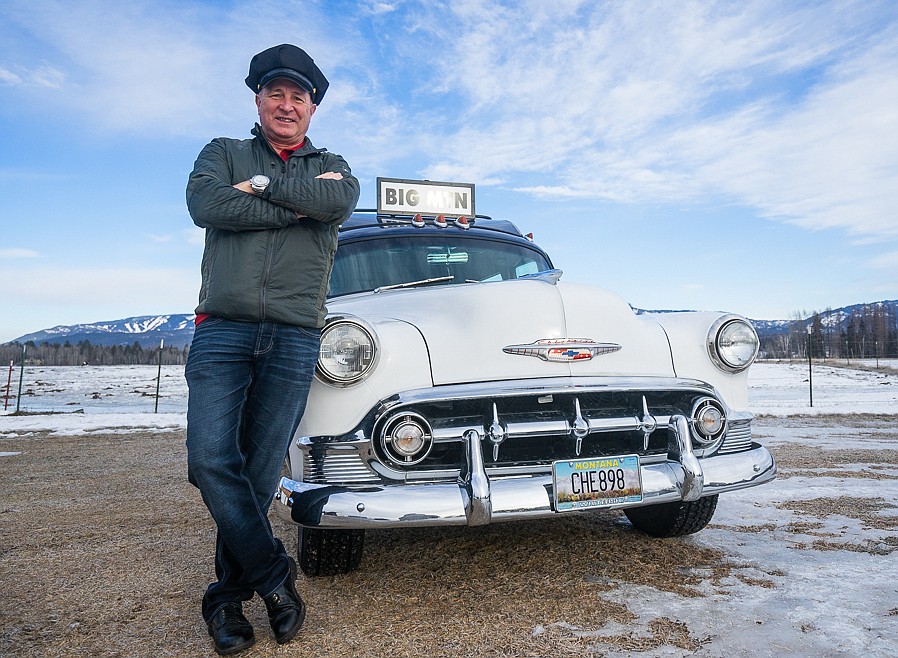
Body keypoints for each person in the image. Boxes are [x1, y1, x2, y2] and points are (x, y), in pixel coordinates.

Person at [184, 44, 359, 655]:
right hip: (223, 328)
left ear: (312, 109)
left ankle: (226, 602)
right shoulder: (221, 153)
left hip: (293, 334)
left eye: (299, 97)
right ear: (258, 100)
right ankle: (275, 576)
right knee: (209, 460)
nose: (287, 105)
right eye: (276, 94)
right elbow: (207, 205)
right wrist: (294, 202)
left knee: (257, 477)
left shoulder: (334, 167)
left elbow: (336, 204)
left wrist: (256, 191)